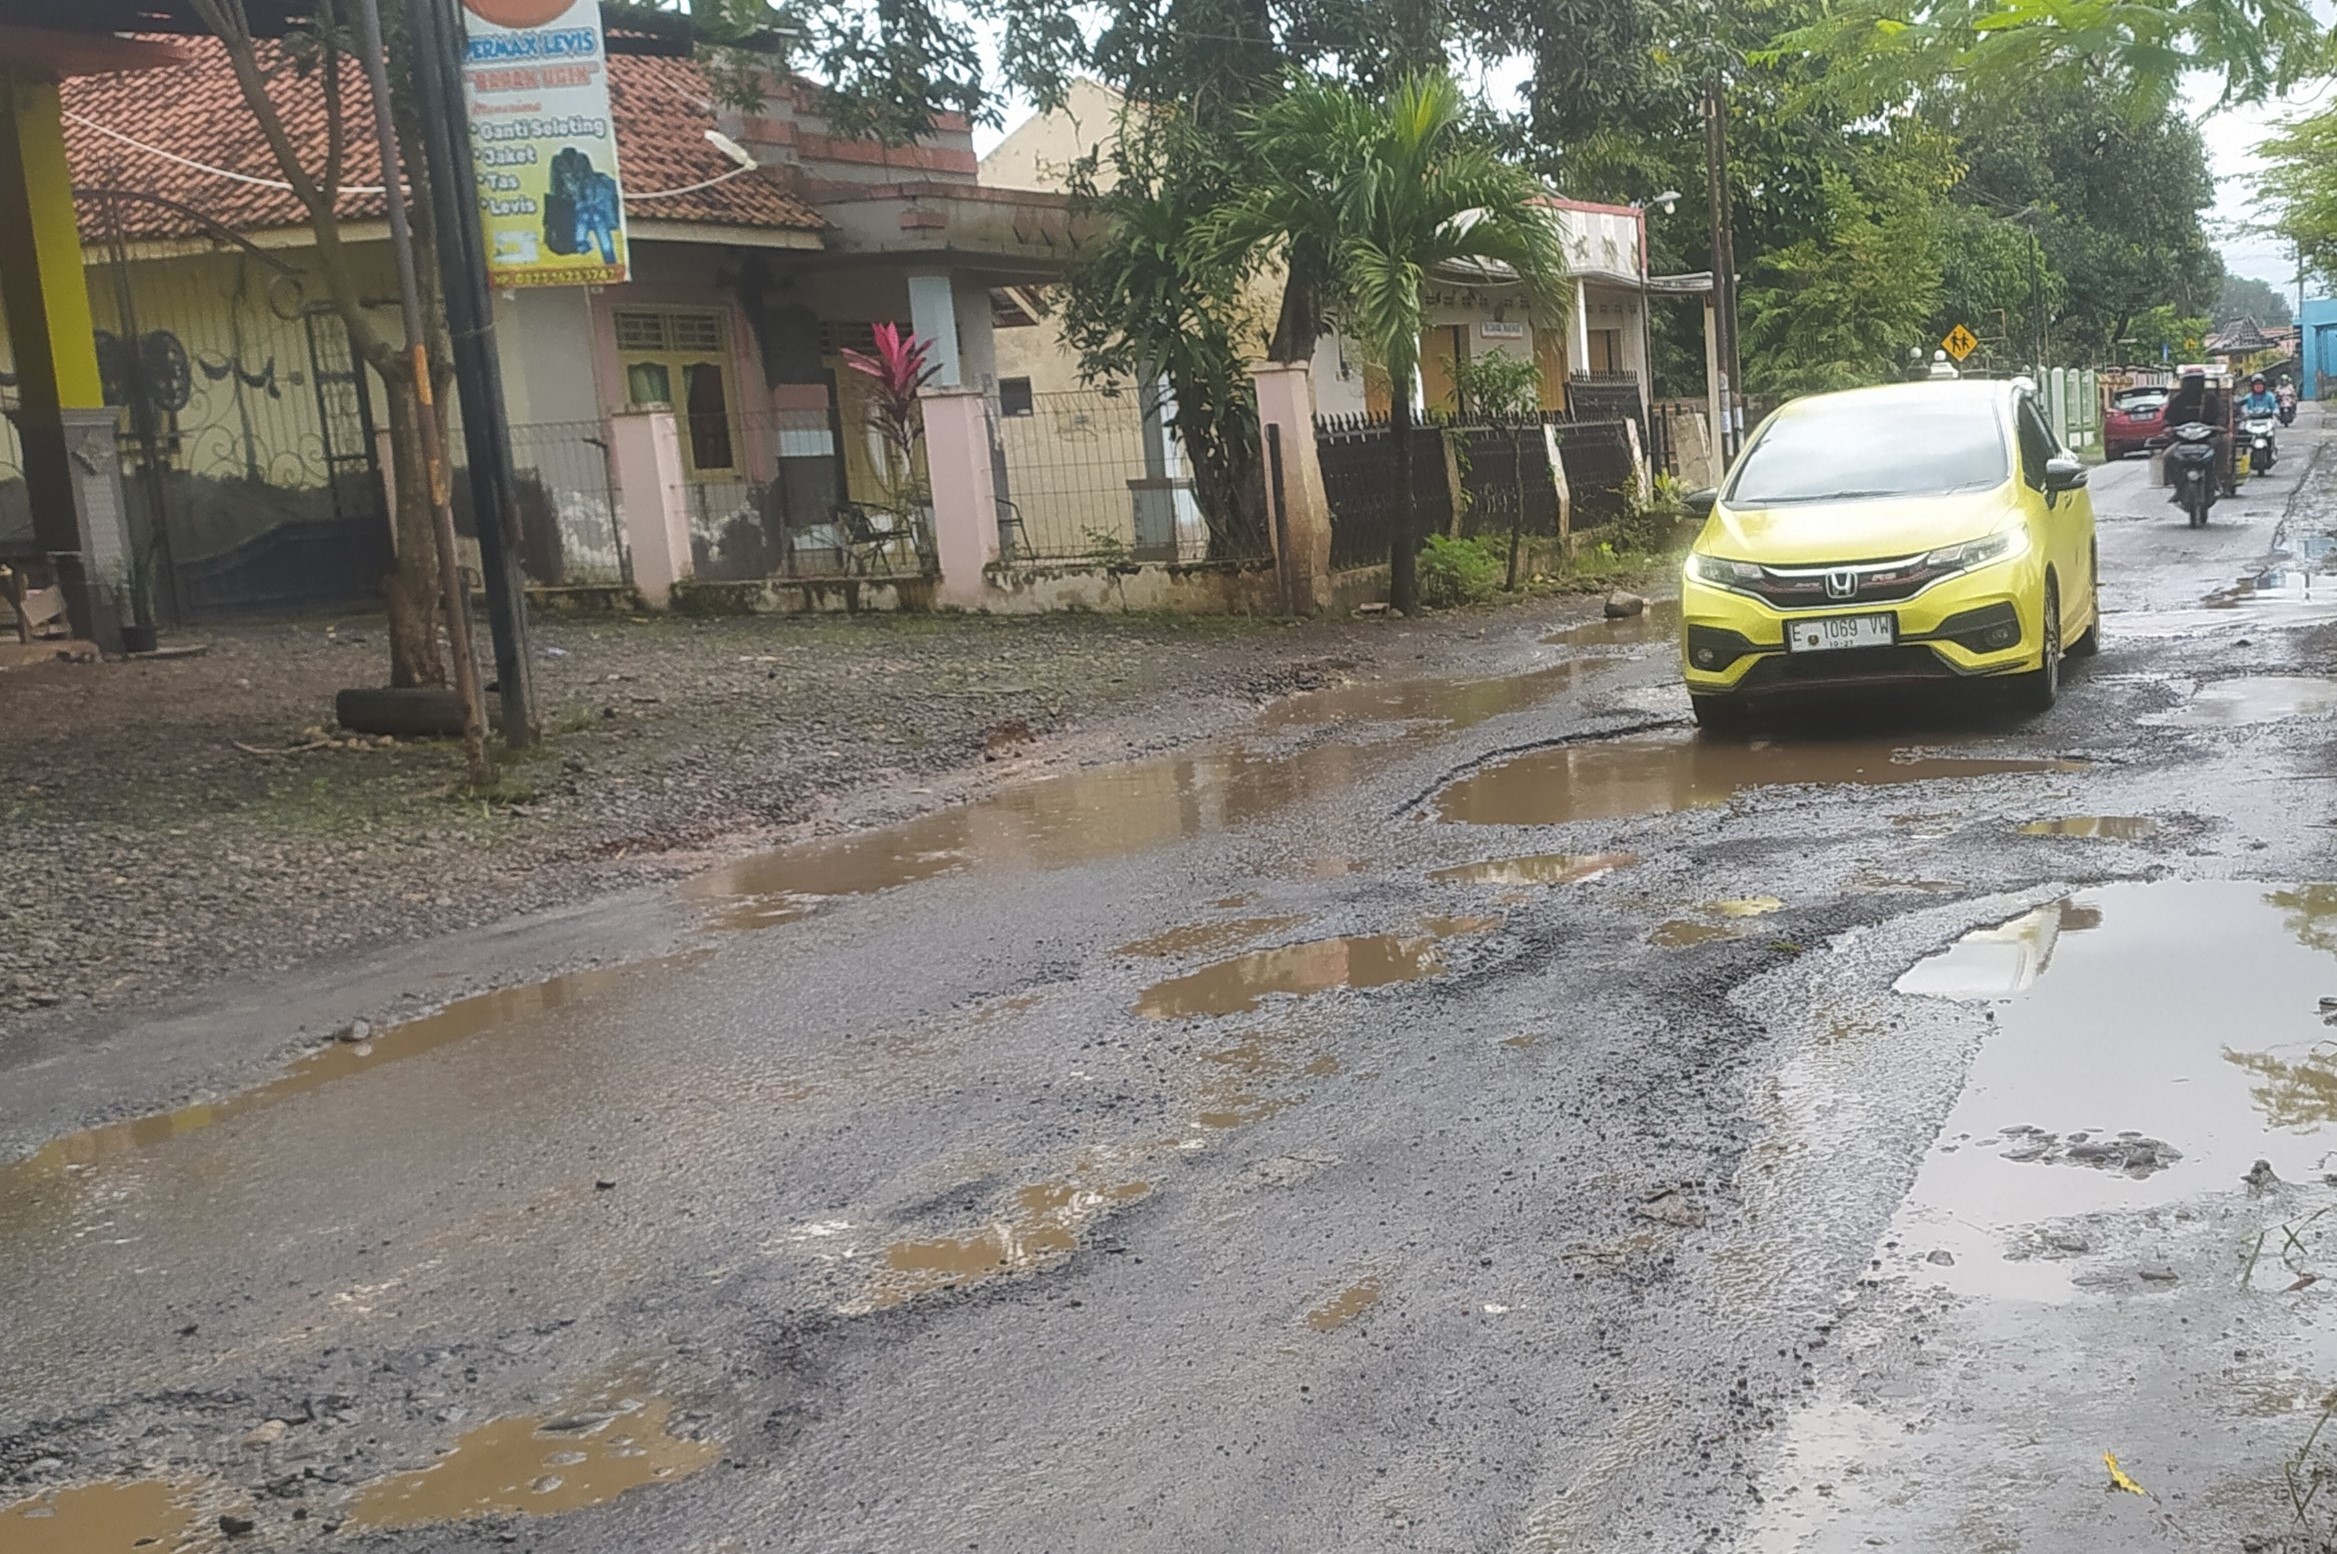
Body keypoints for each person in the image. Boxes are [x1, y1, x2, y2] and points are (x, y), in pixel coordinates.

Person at [2163, 368, 2237, 500]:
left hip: (2208, 439)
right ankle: (2178, 486)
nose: (2193, 385)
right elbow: (2168, 418)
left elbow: (2221, 415)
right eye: (2190, 381)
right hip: (2183, 440)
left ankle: (2218, 478)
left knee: (2225, 442)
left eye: (2196, 381)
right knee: (2167, 456)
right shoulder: (2178, 400)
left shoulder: (2210, 399)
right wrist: (2168, 427)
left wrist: (2219, 426)